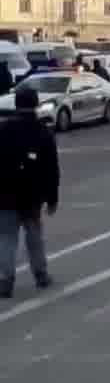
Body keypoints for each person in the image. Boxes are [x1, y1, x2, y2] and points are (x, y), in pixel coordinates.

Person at [0, 85, 60, 297]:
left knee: (6, 238)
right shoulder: (42, 131)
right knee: (34, 236)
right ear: (36, 103)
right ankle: (41, 275)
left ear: (16, 104)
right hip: (32, 195)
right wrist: (52, 198)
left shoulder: (4, 130)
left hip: (5, 195)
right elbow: (52, 169)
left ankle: (5, 281)